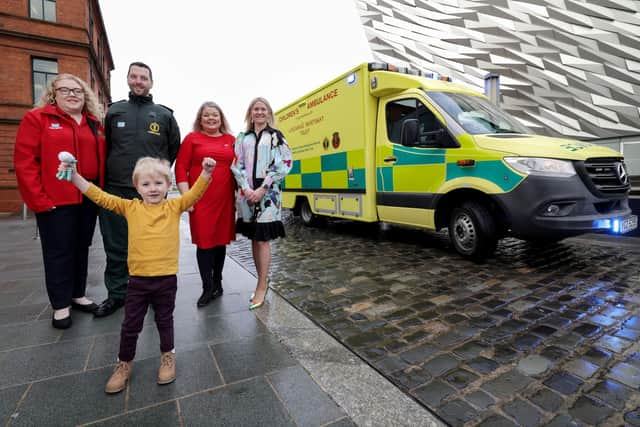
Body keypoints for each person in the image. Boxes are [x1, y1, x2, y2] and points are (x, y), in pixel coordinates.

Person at [58, 155, 216, 393]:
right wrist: (75, 177)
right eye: (146, 184)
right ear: (137, 187)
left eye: (158, 183)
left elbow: (194, 194)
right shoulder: (130, 207)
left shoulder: (174, 206)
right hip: (138, 281)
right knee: (130, 325)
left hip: (166, 280)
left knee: (165, 321)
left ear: (168, 185)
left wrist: (206, 173)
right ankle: (124, 364)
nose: (153, 189)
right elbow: (100, 196)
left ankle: (167, 357)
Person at [13, 73, 106, 329]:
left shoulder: (93, 123)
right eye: (65, 90)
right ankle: (60, 305)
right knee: (58, 252)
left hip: (87, 198)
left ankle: (77, 294)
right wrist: (38, 200)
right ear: (54, 93)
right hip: (56, 200)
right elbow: (25, 162)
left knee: (80, 248)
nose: (73, 94)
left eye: (77, 90)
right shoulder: (38, 118)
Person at [96, 62, 181, 318]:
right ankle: (117, 294)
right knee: (116, 245)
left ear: (151, 82)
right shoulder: (114, 112)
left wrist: (157, 182)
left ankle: (155, 293)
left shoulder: (164, 115)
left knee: (153, 245)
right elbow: (106, 147)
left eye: (144, 78)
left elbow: (172, 149)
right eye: (134, 76)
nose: (139, 81)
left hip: (151, 196)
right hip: (116, 190)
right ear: (128, 80)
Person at [232, 97, 292, 310]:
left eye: (263, 109)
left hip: (268, 196)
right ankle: (262, 281)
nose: (259, 112)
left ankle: (261, 285)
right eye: (255, 109)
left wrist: (262, 188)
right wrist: (247, 189)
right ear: (250, 113)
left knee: (263, 239)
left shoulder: (276, 137)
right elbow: (236, 165)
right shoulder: (243, 138)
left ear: (268, 113)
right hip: (247, 196)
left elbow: (284, 164)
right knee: (253, 238)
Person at [175, 102, 236, 307]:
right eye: (206, 115)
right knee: (204, 243)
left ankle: (218, 283)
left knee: (220, 242)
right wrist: (187, 198)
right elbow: (181, 168)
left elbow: (239, 169)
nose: (211, 118)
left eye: (215, 115)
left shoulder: (231, 140)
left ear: (221, 118)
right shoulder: (192, 138)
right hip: (200, 199)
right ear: (200, 119)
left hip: (225, 200)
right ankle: (207, 288)